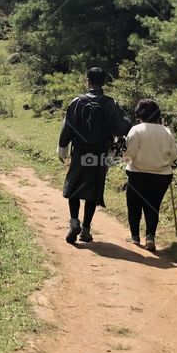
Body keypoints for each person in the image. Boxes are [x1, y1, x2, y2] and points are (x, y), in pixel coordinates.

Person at [57, 67, 131, 244]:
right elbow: (124, 127)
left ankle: (74, 221)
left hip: (80, 152)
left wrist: (62, 149)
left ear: (87, 80)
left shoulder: (76, 102)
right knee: (94, 189)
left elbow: (67, 127)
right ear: (103, 82)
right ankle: (85, 230)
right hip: (99, 154)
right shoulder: (111, 103)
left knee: (74, 185)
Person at [123, 98, 177, 251]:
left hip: (138, 174)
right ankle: (150, 236)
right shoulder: (166, 131)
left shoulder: (136, 130)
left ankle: (135, 237)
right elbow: (174, 155)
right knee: (153, 205)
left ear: (139, 114)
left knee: (134, 204)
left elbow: (129, 154)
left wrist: (126, 160)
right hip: (162, 176)